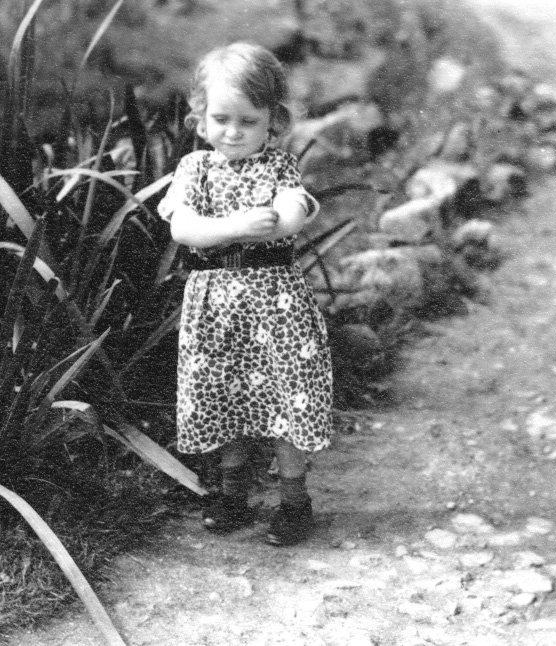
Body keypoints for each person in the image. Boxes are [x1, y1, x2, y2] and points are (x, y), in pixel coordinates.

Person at [157, 41, 333, 546]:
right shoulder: (194, 169)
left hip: (276, 305)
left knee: (286, 395)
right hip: (216, 307)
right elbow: (184, 228)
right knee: (225, 394)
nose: (233, 132)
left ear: (272, 121)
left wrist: (283, 215)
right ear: (200, 118)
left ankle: (294, 500)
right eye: (221, 119)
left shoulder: (278, 168)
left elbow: (292, 212)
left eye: (248, 121)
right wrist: (238, 226)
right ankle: (233, 493)